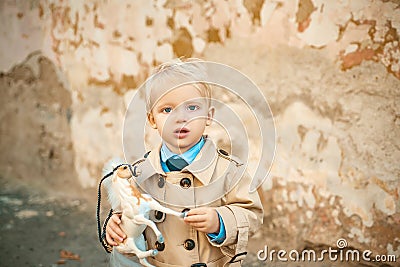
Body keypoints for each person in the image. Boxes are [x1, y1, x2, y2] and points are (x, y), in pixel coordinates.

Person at [101, 58, 263, 266]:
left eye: (192, 108)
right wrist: (115, 226)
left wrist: (220, 222)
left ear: (209, 117)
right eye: (167, 110)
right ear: (152, 120)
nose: (180, 118)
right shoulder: (140, 173)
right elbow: (127, 210)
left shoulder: (229, 170)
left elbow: (252, 214)